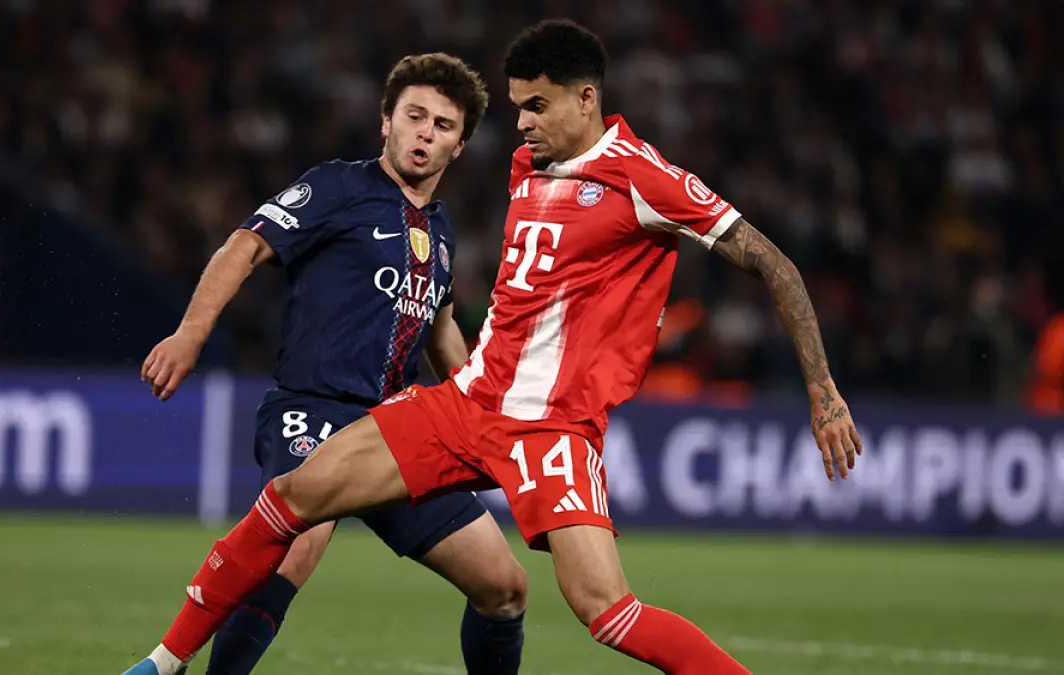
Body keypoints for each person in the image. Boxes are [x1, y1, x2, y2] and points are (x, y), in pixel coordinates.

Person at [125, 19, 864, 675]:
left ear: (585, 98)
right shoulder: (518, 170)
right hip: (467, 402)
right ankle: (161, 664)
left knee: (601, 610)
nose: (522, 122)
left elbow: (776, 263)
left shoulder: (645, 179)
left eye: (535, 105)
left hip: (551, 427)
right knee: (293, 503)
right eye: (515, 107)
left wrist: (823, 392)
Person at [138, 53, 527, 675]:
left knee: (504, 587)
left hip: (399, 431)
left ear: (459, 146)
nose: (425, 132)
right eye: (414, 116)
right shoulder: (337, 188)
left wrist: (489, 419)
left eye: (443, 125)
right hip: (312, 409)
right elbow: (245, 245)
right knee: (294, 543)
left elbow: (444, 332)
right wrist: (190, 333)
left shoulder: (445, 231)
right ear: (385, 122)